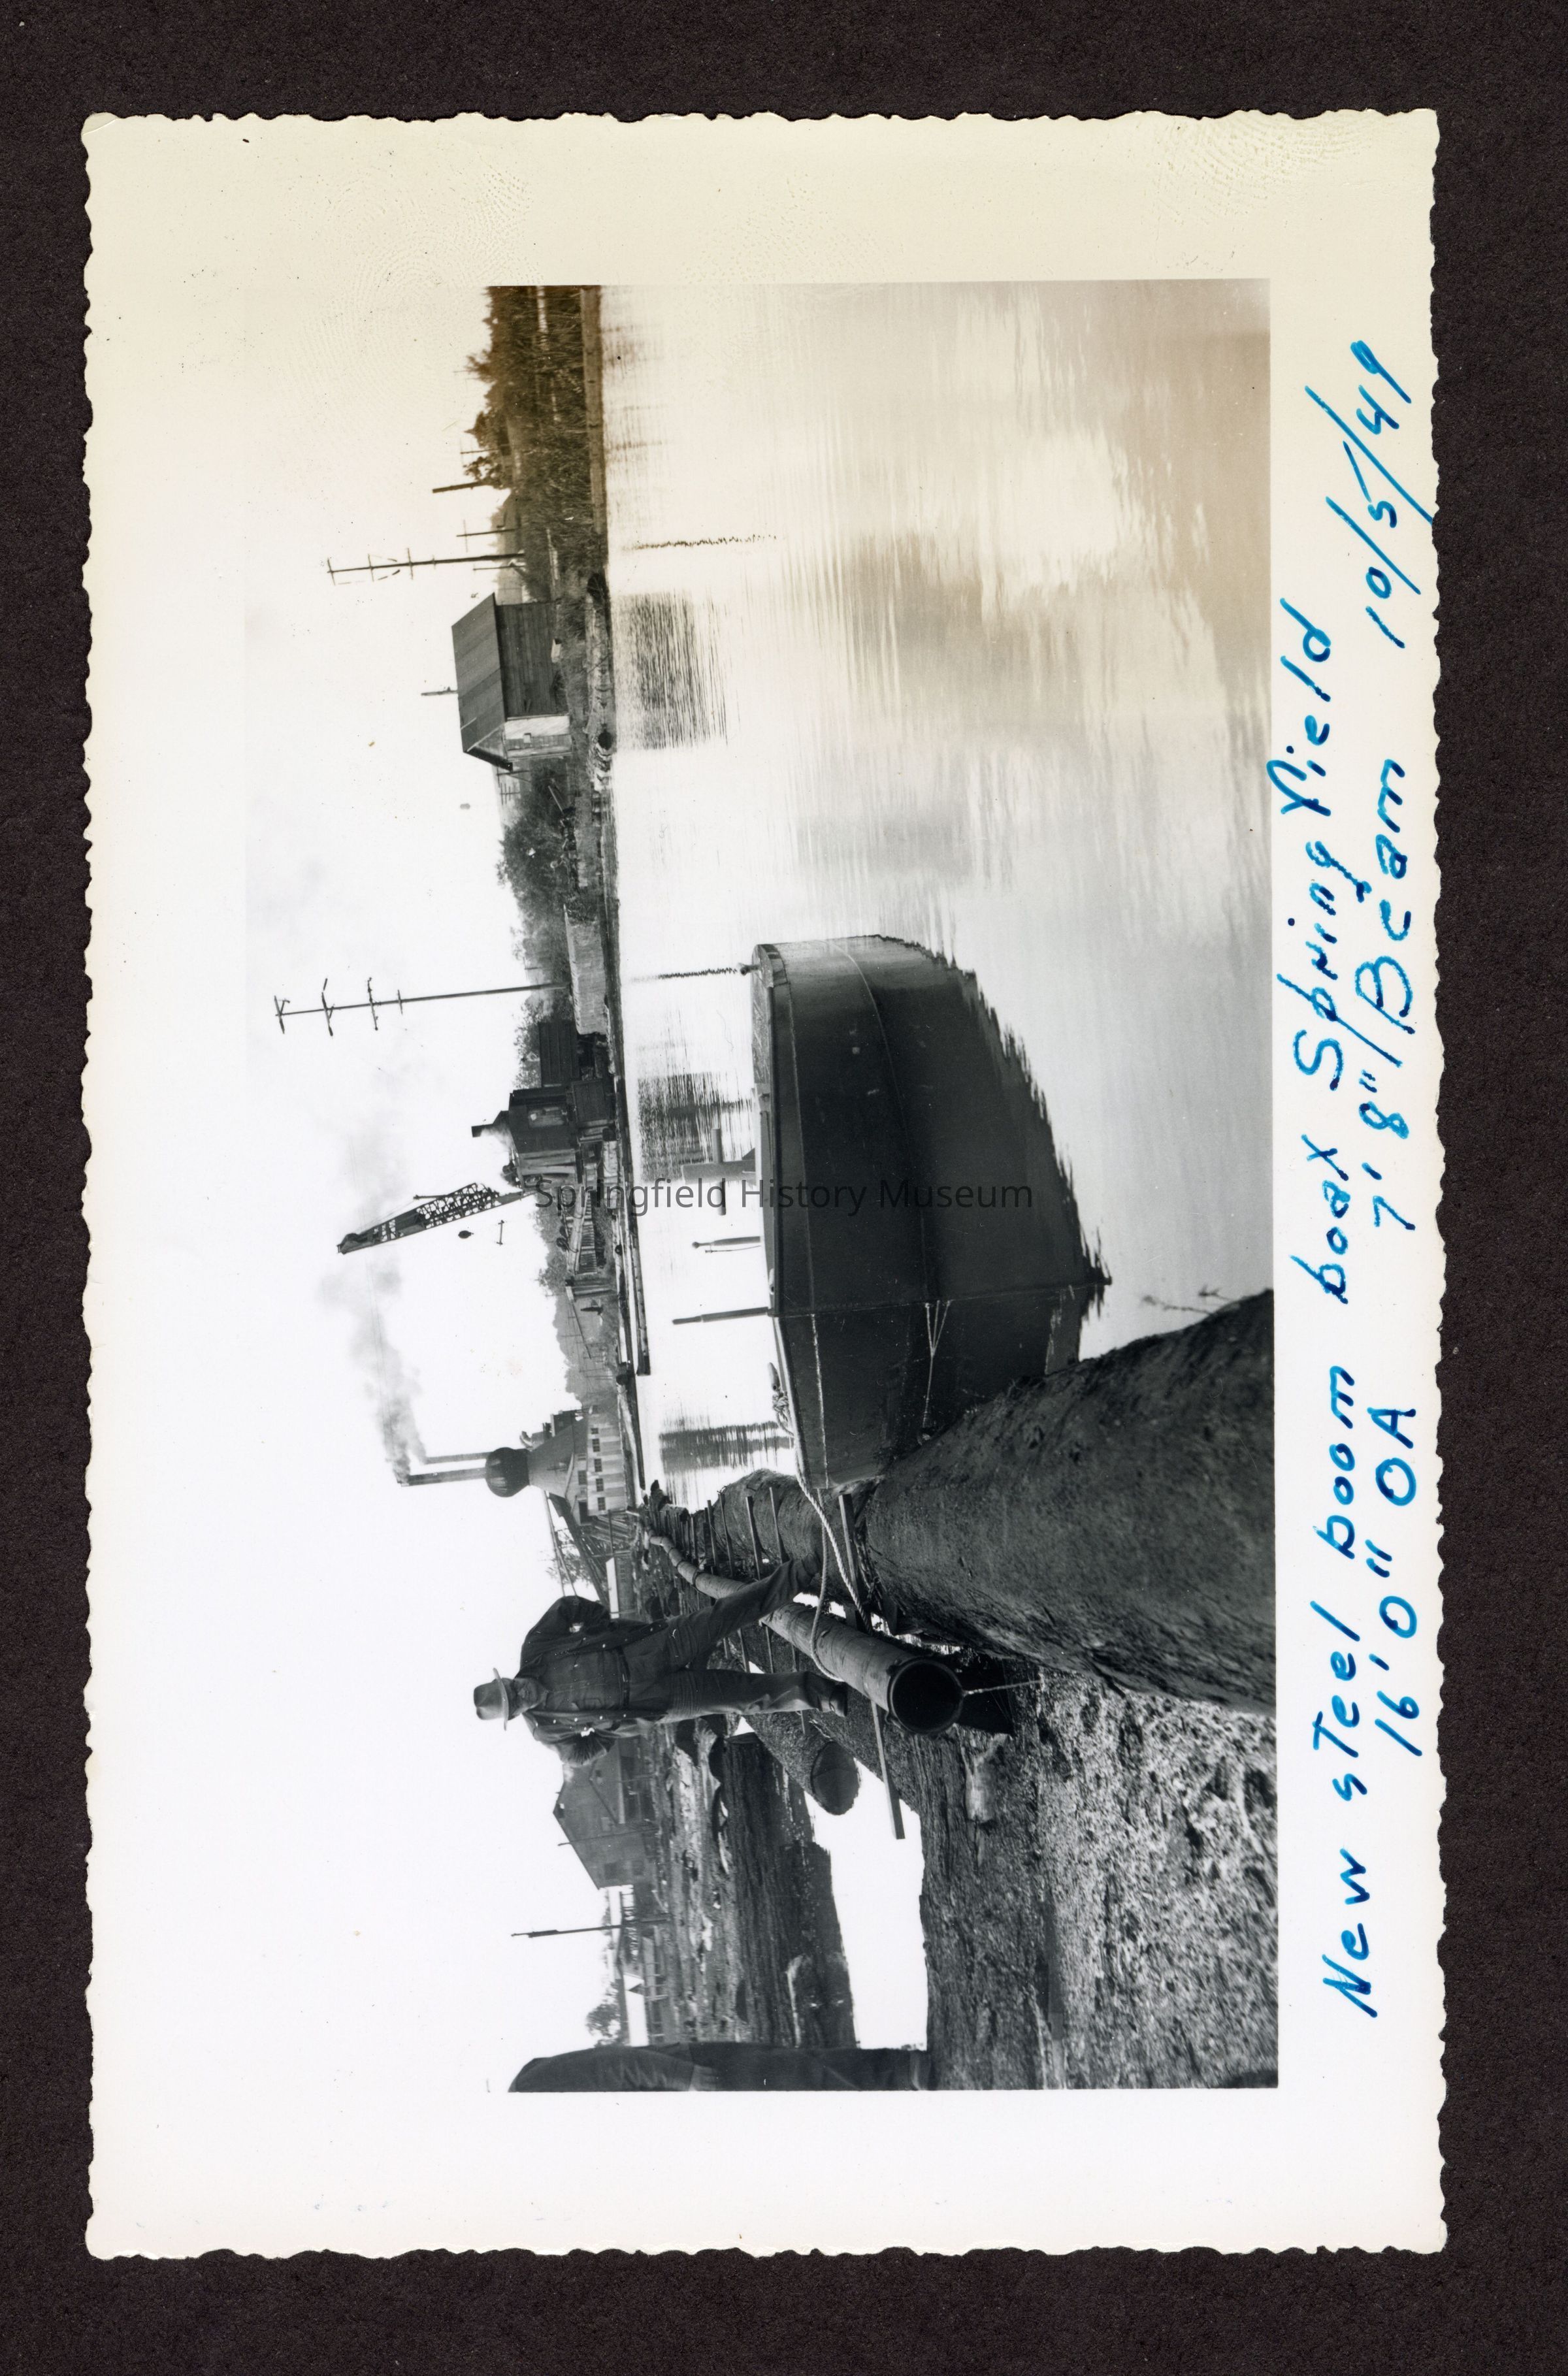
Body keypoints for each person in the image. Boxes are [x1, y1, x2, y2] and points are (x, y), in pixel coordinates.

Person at [473, 1578, 847, 1768]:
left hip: (646, 1649)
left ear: (507, 1678)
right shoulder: (546, 1730)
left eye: (512, 1688)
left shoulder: (536, 1648)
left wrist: (601, 1624)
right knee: (743, 1698)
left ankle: (799, 1575)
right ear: (517, 1715)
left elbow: (567, 1607)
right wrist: (611, 1731)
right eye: (515, 1702)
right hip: (655, 1702)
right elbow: (579, 1755)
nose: (521, 1693)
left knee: (722, 1617)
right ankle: (823, 1695)